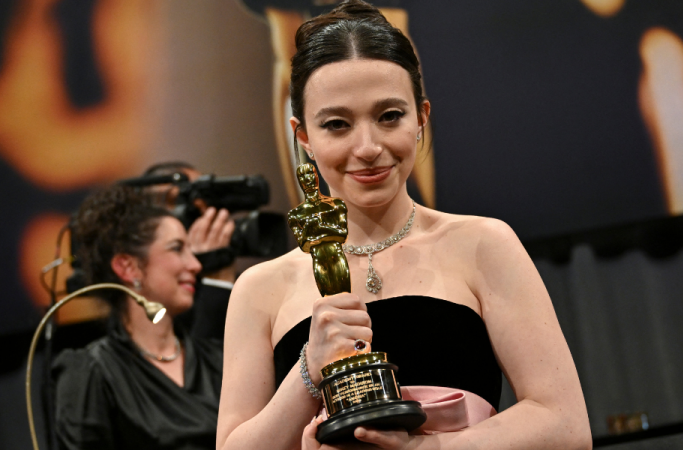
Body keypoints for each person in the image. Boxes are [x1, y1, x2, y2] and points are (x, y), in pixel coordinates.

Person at [217, 1, 592, 449]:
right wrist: (307, 373)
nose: (368, 146)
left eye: (389, 116)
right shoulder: (260, 289)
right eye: (337, 124)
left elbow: (565, 425)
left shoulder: (483, 244)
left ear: (421, 119)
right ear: (304, 138)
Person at [53, 186, 223, 450]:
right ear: (128, 267)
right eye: (177, 248)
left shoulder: (215, 358)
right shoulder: (92, 373)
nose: (195, 264)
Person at [143, 161, 236, 340]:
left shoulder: (235, 273)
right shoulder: (149, 292)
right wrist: (216, 284)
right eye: (186, 199)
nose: (202, 210)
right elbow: (201, 364)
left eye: (204, 196)